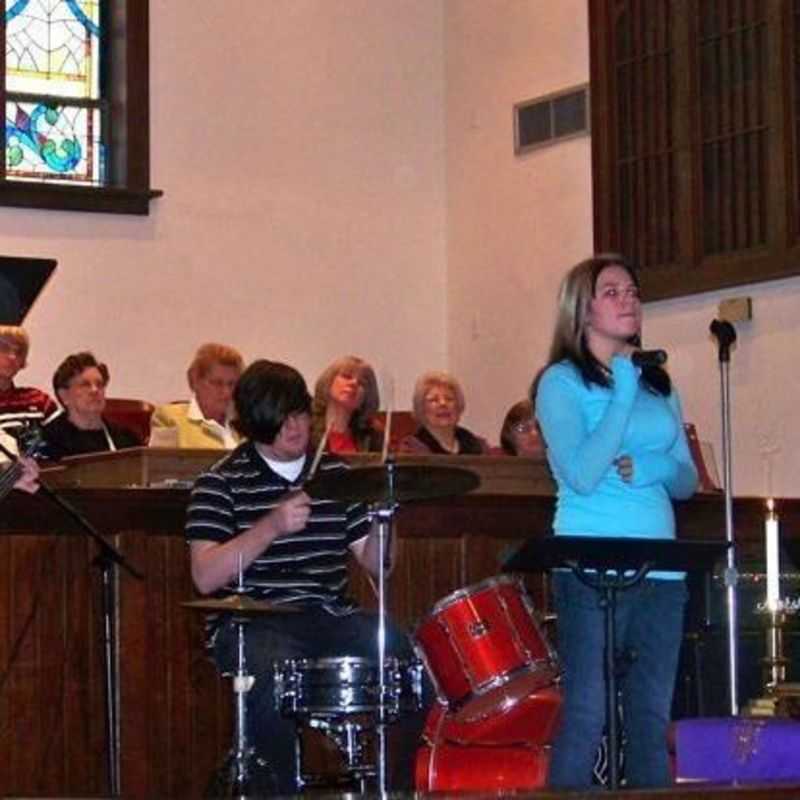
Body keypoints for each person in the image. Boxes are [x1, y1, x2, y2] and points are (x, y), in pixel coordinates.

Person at [186, 359, 424, 794]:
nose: (295, 429)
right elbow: (205, 575)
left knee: (408, 657)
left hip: (330, 615)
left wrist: (385, 518)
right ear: (255, 427)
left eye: (299, 415)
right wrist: (271, 526)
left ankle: (394, 787)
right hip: (255, 622)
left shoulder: (335, 475)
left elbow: (377, 566)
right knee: (268, 674)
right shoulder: (220, 483)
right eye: (281, 422)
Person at [533, 254, 698, 790]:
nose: (629, 299)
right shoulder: (560, 383)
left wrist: (658, 467)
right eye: (612, 291)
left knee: (650, 718)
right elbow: (580, 472)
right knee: (588, 711)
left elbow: (687, 482)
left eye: (633, 289)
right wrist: (622, 391)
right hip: (591, 563)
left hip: (662, 568)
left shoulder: (659, 383)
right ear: (581, 311)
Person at [41, 352, 141, 460]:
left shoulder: (127, 440)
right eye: (85, 385)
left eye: (100, 384)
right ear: (64, 395)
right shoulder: (48, 441)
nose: (95, 390)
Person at [150, 343, 243, 449]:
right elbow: (159, 464)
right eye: (217, 383)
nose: (227, 392)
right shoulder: (170, 419)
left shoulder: (245, 423)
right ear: (195, 382)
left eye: (232, 384)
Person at [398, 371, 489, 455]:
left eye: (449, 399)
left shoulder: (478, 446)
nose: (443, 404)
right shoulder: (412, 450)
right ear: (421, 408)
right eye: (434, 400)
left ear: (458, 406)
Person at [311, 355, 381, 453]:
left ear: (366, 397)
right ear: (328, 382)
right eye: (346, 376)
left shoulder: (372, 436)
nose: (354, 383)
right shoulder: (307, 428)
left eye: (362, 383)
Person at [0, 325, 58, 437]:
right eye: (4, 349)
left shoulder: (39, 400)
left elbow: (63, 443)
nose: (12, 357)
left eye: (19, 352)